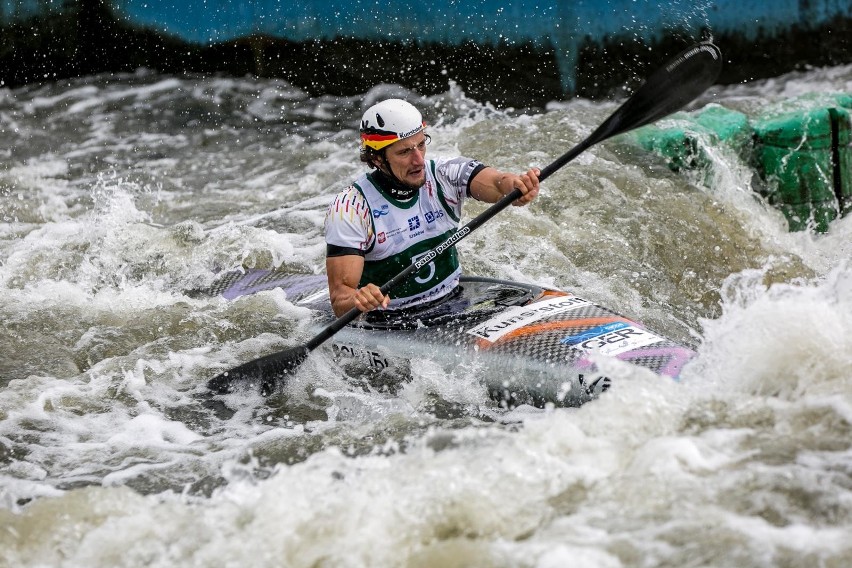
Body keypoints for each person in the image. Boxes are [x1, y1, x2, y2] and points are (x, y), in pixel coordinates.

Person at [324, 98, 540, 317]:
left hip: (454, 300)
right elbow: (340, 298)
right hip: (392, 318)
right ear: (377, 158)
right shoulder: (350, 208)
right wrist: (359, 297)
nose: (418, 160)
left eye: (421, 144)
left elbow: (496, 182)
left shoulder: (444, 174)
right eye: (404, 152)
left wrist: (514, 186)